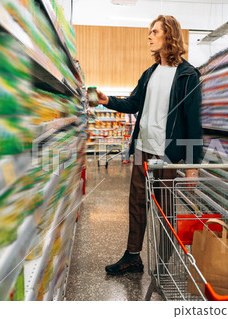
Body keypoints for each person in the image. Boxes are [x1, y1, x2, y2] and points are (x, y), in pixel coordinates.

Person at [96, 15, 203, 275]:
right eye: (150, 32)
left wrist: (192, 164)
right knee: (136, 204)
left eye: (155, 32)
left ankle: (165, 262)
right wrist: (107, 100)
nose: (150, 36)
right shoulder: (150, 73)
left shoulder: (188, 75)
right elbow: (132, 104)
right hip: (142, 149)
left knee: (165, 209)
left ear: (169, 35)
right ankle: (133, 257)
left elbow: (193, 121)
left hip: (166, 154)